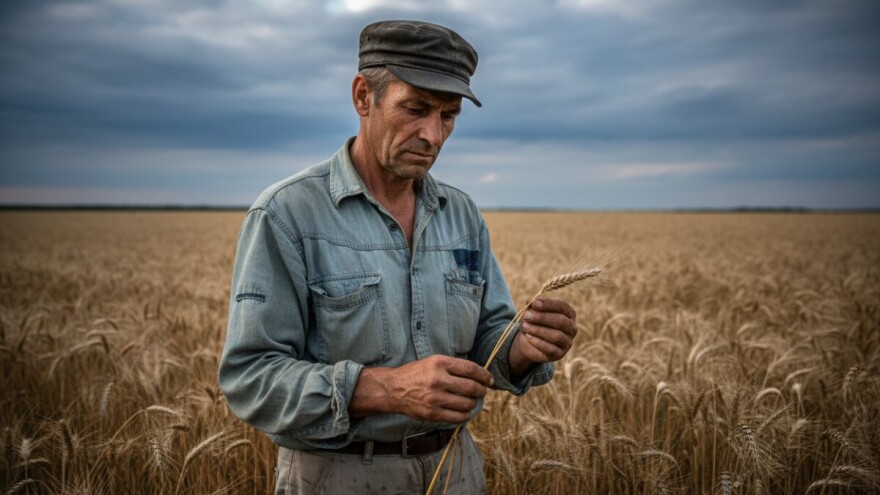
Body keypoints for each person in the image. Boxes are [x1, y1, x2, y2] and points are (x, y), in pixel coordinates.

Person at [218, 20, 578, 494]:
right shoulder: (288, 214)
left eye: (448, 116)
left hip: (456, 469)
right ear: (363, 97)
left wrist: (522, 349)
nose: (433, 135)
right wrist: (386, 389)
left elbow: (487, 340)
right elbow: (250, 377)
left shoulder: (462, 214)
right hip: (336, 475)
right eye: (416, 108)